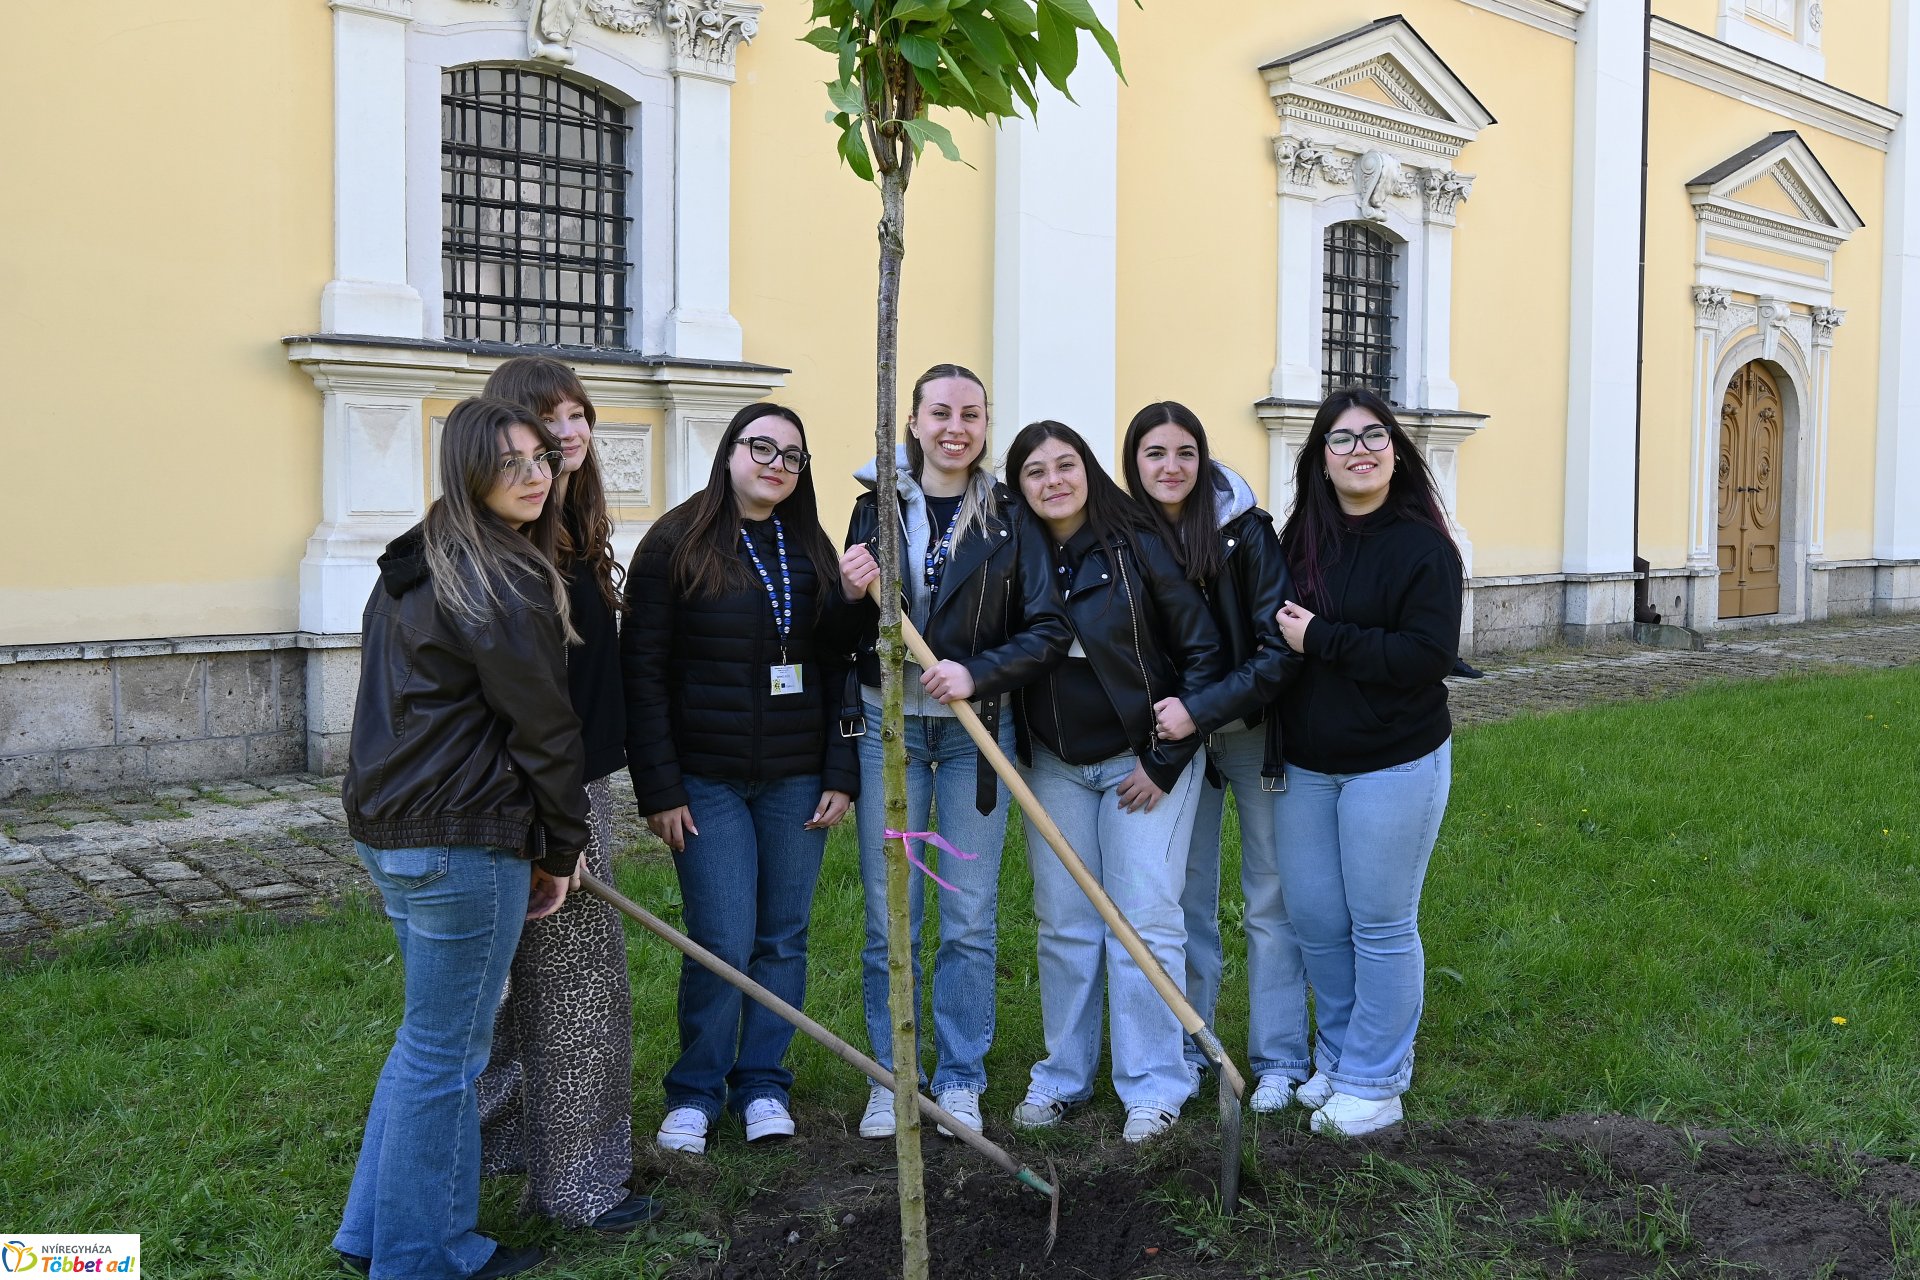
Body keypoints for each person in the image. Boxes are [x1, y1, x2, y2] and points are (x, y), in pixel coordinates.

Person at [334, 396, 587, 1280]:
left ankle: (373, 1235)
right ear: (467, 469)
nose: (531, 475)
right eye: (509, 460)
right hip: (458, 839)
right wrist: (562, 846)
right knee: (448, 1055)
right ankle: (424, 1254)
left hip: (395, 832)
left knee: (425, 1043)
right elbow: (544, 732)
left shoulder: (418, 559)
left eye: (541, 458)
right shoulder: (499, 577)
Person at [836, 364, 1071, 1140]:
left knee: (968, 918)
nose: (955, 428)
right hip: (886, 734)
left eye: (971, 414)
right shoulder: (874, 509)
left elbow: (1045, 628)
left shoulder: (1009, 515)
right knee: (887, 915)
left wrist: (977, 671)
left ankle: (962, 1076)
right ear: (913, 419)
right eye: (940, 412)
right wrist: (846, 591)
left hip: (977, 735)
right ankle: (893, 1074)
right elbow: (840, 637)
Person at [622, 401, 857, 1156]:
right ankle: (695, 1091)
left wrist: (840, 771)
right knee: (722, 939)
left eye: (793, 456)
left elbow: (840, 666)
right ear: (729, 452)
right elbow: (643, 673)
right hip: (707, 781)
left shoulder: (810, 547)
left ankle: (762, 1084)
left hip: (796, 778)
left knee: (782, 938)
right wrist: (659, 788)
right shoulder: (675, 542)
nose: (777, 465)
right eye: (763, 448)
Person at [1003, 420, 1225, 1143]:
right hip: (1056, 765)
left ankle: (1155, 1084)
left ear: (1090, 469)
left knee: (1143, 922)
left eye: (1066, 465)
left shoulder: (1136, 543)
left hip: (1144, 764)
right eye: (1036, 472)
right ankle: (1063, 1077)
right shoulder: (1016, 552)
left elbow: (1201, 652)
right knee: (1065, 924)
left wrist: (1162, 760)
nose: (1054, 481)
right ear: (1021, 486)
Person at [474, 358, 656, 1233]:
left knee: (516, 989)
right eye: (549, 419)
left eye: (580, 413)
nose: (571, 431)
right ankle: (580, 1187)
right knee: (580, 990)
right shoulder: (518, 545)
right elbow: (527, 706)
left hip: (555, 782)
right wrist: (563, 826)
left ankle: (499, 1151)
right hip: (545, 791)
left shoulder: (569, 528)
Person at [1270, 386, 1463, 1137]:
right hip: (1307, 767)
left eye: (1373, 436)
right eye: (1342, 440)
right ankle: (1344, 1057)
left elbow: (1425, 657)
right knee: (1318, 921)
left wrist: (1320, 640)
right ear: (1320, 460)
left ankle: (1378, 1082)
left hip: (1394, 761)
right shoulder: (1300, 539)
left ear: (1396, 451)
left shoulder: (1423, 547)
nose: (1360, 451)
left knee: (1380, 924)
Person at [1123, 401, 1308, 1113]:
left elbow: (1277, 652)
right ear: (1133, 463)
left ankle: (1280, 1060)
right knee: (1184, 898)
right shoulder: (1125, 538)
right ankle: (1195, 1048)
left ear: (1203, 461)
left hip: (1250, 732)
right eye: (1154, 454)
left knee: (1269, 899)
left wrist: (1202, 709)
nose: (1170, 467)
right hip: (1174, 746)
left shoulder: (1246, 533)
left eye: (1184, 453)